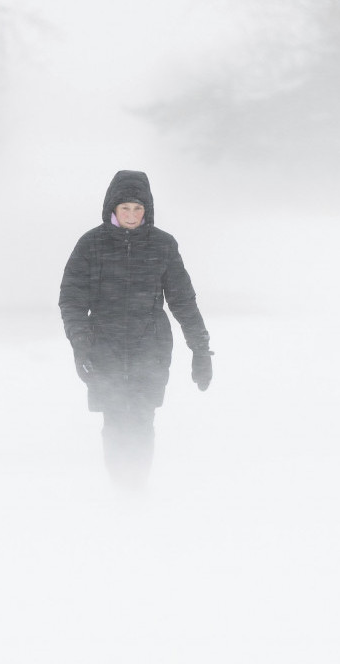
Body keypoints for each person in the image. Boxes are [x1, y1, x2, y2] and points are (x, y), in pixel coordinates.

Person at [58, 170, 213, 489]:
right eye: (125, 208)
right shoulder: (91, 245)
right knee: (114, 420)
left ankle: (136, 489)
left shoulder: (163, 246)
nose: (131, 215)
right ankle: (121, 490)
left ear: (148, 210)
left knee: (142, 420)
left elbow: (183, 301)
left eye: (138, 209)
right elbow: (72, 300)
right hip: (104, 349)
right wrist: (81, 343)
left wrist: (200, 349)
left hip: (150, 349)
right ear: (112, 209)